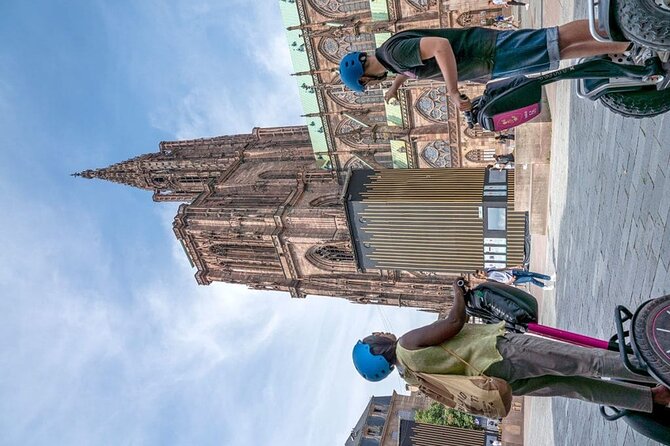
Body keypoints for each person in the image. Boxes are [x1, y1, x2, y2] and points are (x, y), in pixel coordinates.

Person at [352, 280, 670, 414]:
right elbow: (453, 322)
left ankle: (652, 398)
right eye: (372, 339)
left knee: (577, 387)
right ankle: (657, 367)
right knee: (584, 362)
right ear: (378, 351)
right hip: (502, 354)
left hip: (503, 384)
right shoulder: (407, 346)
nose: (377, 334)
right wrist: (457, 290)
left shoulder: (411, 375)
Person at [338, 21, 630, 111]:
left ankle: (618, 26)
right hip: (489, 61)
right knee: (558, 51)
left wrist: (453, 92)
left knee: (555, 38)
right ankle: (622, 46)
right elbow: (407, 70)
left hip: (488, 51)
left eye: (368, 83)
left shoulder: (395, 54)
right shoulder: (393, 59)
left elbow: (439, 46)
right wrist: (394, 86)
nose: (372, 84)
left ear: (364, 76)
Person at [479, 266, 554, 289]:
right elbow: (502, 285)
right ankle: (544, 287)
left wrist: (515, 267)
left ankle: (549, 278)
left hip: (513, 272)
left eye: (482, 270)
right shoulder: (490, 281)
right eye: (481, 273)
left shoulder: (490, 270)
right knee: (530, 279)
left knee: (531, 273)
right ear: (481, 276)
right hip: (513, 279)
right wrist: (511, 280)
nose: (483, 271)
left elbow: (503, 268)